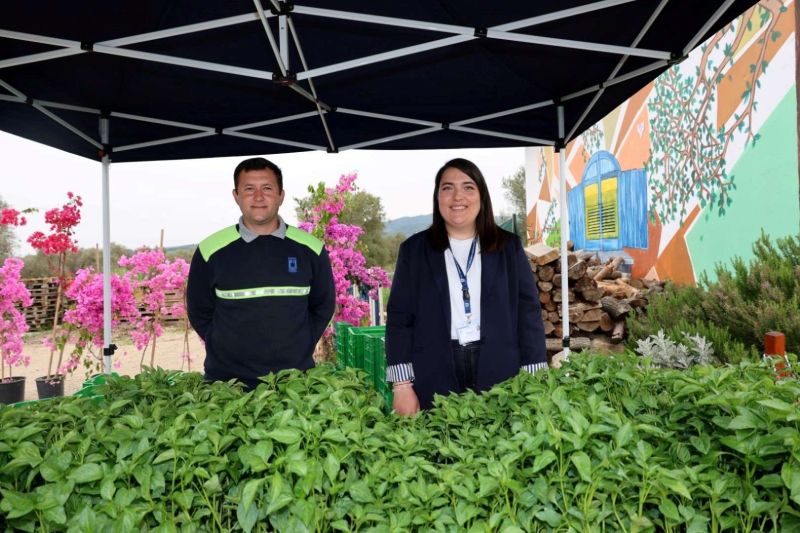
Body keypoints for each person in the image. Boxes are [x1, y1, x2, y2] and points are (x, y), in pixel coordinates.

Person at [385, 158, 547, 414]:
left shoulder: (508, 247)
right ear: (437, 197)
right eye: (447, 188)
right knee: (439, 436)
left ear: (482, 196)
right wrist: (401, 385)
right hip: (434, 373)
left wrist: (535, 378)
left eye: (468, 187)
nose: (457, 196)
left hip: (500, 373)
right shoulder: (414, 251)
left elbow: (528, 314)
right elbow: (399, 319)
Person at [187, 157, 335, 389]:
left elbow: (323, 307)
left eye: (267, 188)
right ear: (236, 196)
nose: (258, 197)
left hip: (295, 384)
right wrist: (224, 346)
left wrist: (301, 344)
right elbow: (199, 312)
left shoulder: (311, 249)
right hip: (227, 385)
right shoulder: (210, 250)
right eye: (249, 189)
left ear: (281, 195)